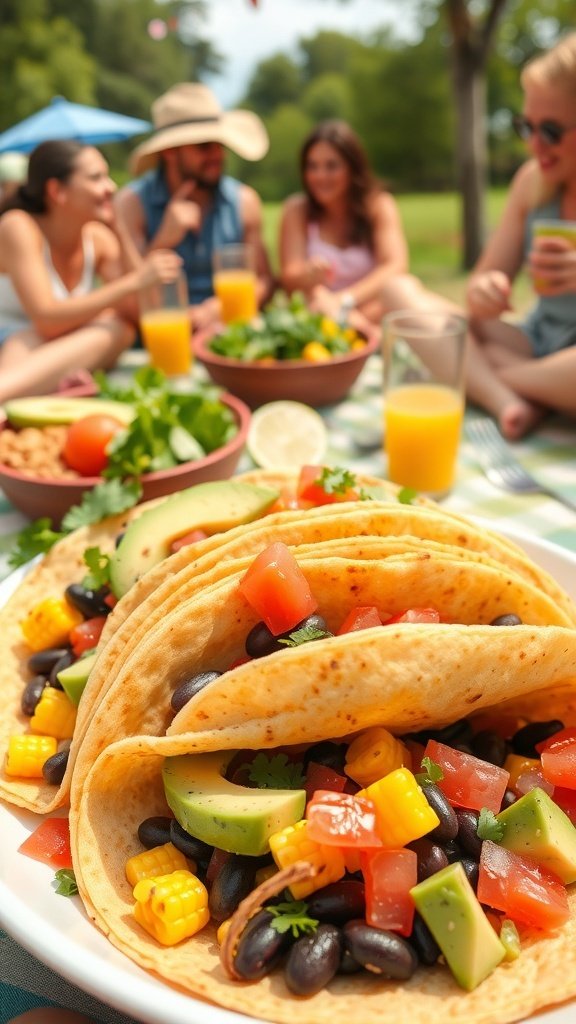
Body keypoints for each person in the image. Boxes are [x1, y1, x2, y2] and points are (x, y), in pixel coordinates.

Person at [378, 32, 576, 440]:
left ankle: (498, 378)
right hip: (535, 341)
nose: (535, 145)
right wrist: (486, 290)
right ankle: (513, 400)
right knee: (398, 293)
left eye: (552, 131)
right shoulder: (532, 184)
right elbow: (476, 297)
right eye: (527, 127)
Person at [0, 140, 182, 403]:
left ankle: (37, 390)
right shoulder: (17, 226)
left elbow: (139, 313)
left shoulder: (97, 238)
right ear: (57, 191)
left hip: (60, 347)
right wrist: (133, 282)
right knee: (30, 336)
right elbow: (47, 320)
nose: (111, 187)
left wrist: (120, 231)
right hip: (14, 342)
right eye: (97, 178)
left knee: (119, 328)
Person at [114, 83, 275, 331]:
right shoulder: (131, 204)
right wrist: (163, 240)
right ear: (169, 152)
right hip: (159, 339)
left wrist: (221, 308)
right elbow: (127, 300)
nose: (216, 155)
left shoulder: (244, 201)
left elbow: (263, 280)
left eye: (219, 144)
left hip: (229, 332)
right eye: (203, 146)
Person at [279, 120, 409, 331]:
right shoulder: (297, 209)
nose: (320, 176)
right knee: (313, 297)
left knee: (403, 292)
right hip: (318, 316)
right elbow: (289, 277)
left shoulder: (379, 205)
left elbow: (395, 266)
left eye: (331, 166)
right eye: (312, 166)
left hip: (370, 311)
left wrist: (344, 302)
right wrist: (308, 273)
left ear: (352, 168)